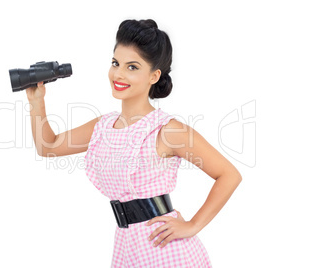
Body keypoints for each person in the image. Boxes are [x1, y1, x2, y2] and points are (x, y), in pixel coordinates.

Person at [26, 19, 242, 268]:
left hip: (165, 250)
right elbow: (48, 147)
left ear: (154, 75)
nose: (118, 74)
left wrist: (193, 225)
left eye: (132, 67)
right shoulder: (103, 126)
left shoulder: (167, 130)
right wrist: (37, 102)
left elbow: (229, 174)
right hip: (127, 247)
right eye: (116, 63)